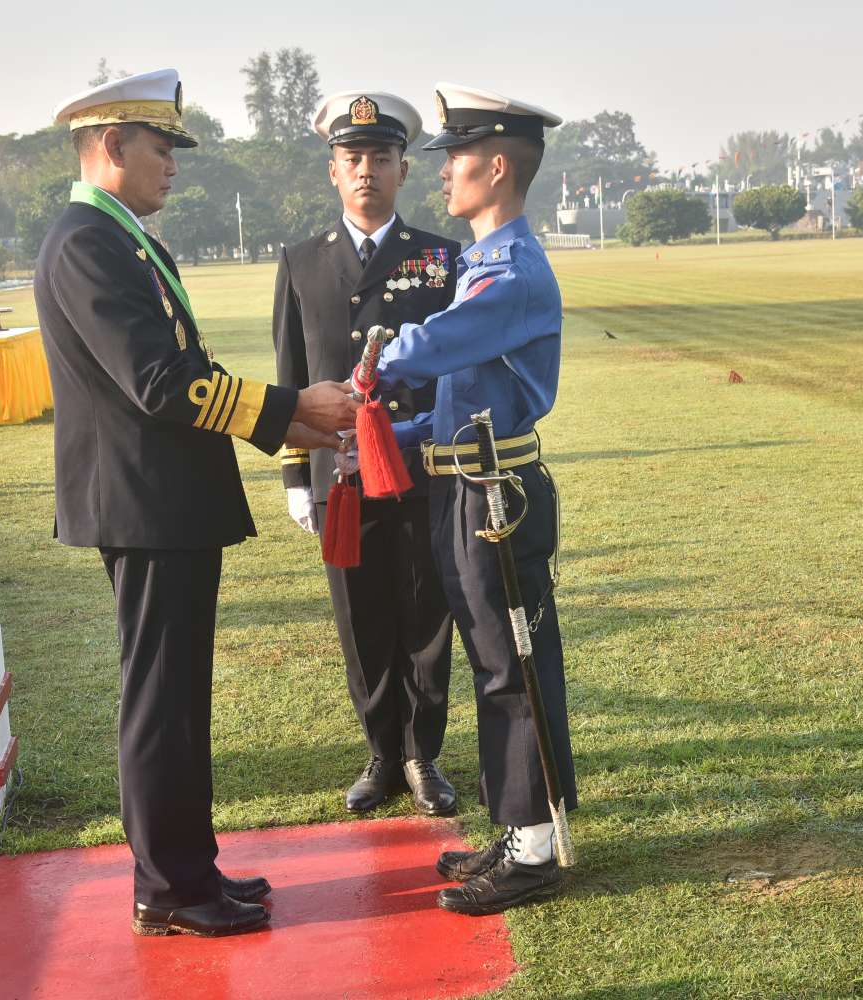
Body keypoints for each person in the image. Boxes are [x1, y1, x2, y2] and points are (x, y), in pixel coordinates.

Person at [34, 68, 357, 938]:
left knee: (179, 699)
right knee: (161, 701)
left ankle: (188, 867)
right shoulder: (87, 242)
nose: (174, 165)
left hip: (164, 502)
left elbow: (183, 376)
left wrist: (294, 419)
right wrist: (293, 407)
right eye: (162, 147)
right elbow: (159, 383)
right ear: (112, 145)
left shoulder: (120, 238)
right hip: (143, 505)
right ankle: (169, 889)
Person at [360, 83, 576, 915]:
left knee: (512, 665)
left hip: (497, 496)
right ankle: (517, 825)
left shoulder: (509, 272)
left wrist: (369, 368)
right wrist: (392, 436)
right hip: (466, 484)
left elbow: (435, 347)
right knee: (494, 663)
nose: (444, 172)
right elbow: (461, 400)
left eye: (456, 157)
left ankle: (535, 848)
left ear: (497, 168)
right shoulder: (485, 263)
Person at [273, 91, 461, 818]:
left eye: (381, 158)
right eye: (352, 158)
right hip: (339, 472)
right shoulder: (300, 263)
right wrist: (296, 475)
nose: (366, 171)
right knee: (360, 618)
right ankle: (381, 753)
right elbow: (292, 374)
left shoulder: (440, 259)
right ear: (332, 169)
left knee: (425, 614)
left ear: (403, 169)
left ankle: (422, 755)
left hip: (421, 467)